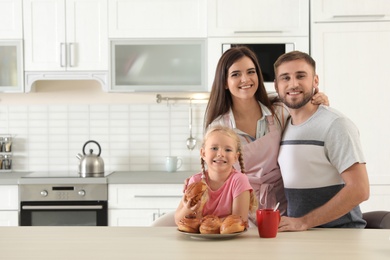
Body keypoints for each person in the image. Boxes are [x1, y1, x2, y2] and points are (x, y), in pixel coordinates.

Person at [203, 46, 329, 222]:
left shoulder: (279, 111)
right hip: (240, 210)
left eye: (251, 72)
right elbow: (215, 175)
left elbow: (312, 129)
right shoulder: (218, 127)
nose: (245, 79)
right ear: (224, 82)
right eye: (236, 74)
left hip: (285, 208)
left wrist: (320, 103)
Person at [274, 51, 370, 231]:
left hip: (340, 235)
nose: (293, 84)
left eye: (300, 76)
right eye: (285, 78)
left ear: (315, 81)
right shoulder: (283, 125)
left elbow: (360, 189)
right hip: (301, 236)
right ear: (277, 85)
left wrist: (304, 222)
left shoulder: (335, 124)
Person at [175, 125, 255, 224]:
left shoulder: (239, 181)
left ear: (235, 157)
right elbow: (178, 220)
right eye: (214, 148)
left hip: (230, 239)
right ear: (203, 153)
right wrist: (188, 209)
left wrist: (205, 223)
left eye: (228, 150)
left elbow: (239, 221)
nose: (220, 154)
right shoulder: (196, 181)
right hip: (199, 239)